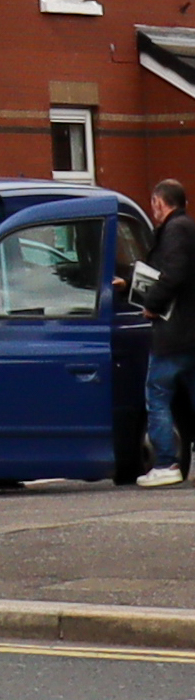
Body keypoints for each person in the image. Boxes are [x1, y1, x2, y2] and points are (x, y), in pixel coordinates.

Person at [135, 178, 195, 486]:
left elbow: (172, 274)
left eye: (153, 204)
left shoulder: (175, 230)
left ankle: (166, 463)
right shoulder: (187, 228)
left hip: (174, 334)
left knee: (157, 395)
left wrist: (152, 304)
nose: (152, 210)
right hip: (189, 331)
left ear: (161, 202)